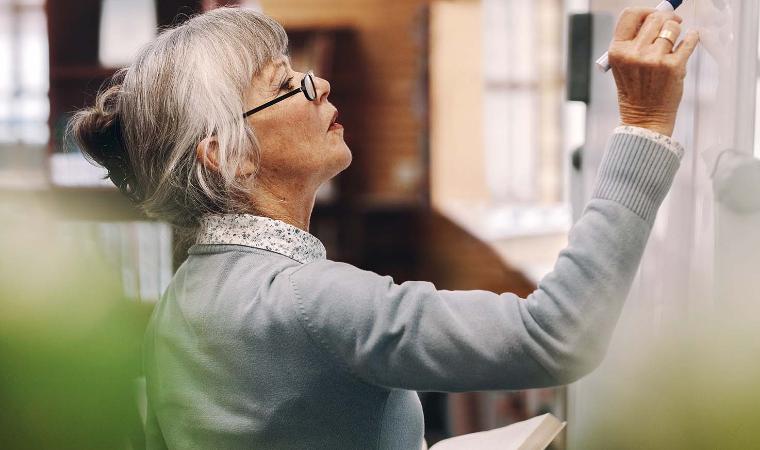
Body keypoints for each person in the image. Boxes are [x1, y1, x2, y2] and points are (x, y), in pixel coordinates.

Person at [68, 6, 699, 450]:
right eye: (286, 84)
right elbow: (556, 336)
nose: (320, 86)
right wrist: (643, 125)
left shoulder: (179, 302)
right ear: (228, 154)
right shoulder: (309, 299)